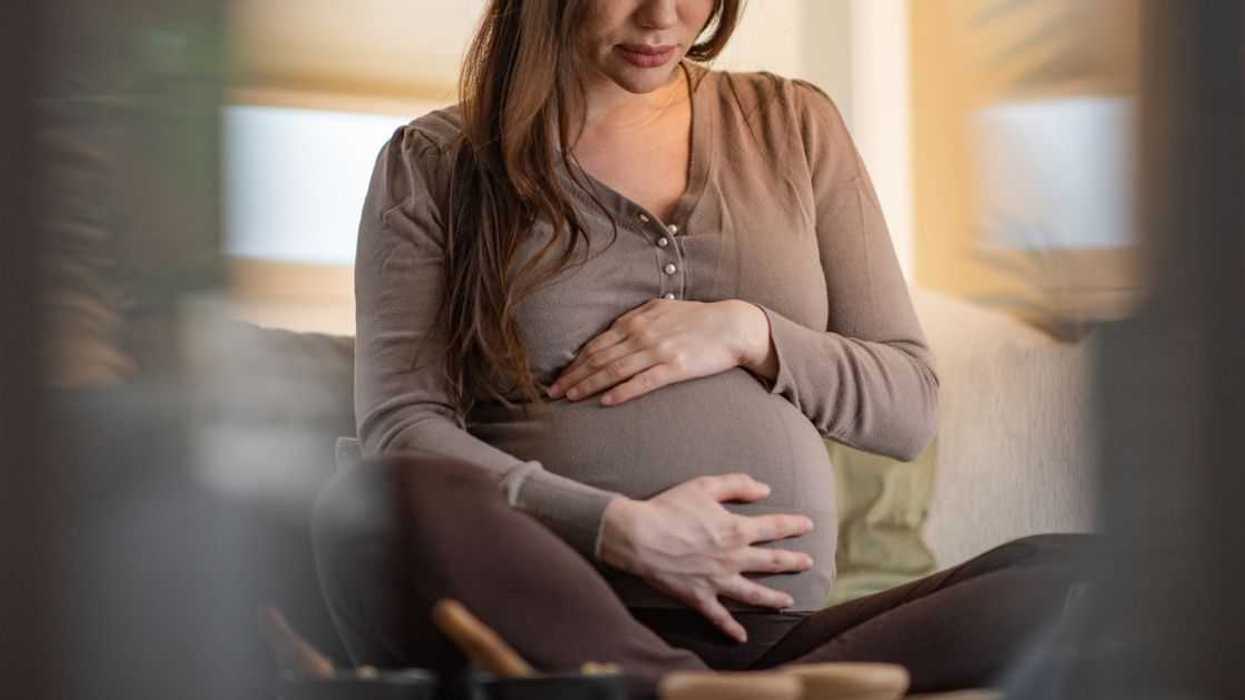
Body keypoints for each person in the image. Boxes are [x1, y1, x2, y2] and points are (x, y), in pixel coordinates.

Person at [312, 0, 1089, 696]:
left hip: (778, 640)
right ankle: (673, 686)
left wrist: (749, 332)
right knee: (376, 498)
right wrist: (617, 528)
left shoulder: (790, 125)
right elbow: (401, 426)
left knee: (1082, 574)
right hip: (544, 609)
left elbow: (908, 408)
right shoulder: (435, 162)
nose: (662, 18)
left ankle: (672, 692)